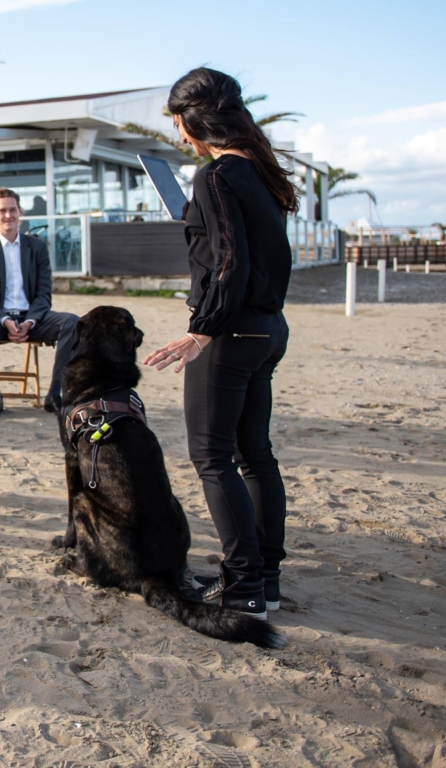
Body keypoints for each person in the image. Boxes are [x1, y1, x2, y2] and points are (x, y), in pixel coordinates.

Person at [144, 67, 297, 620]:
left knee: (213, 458)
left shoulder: (216, 176)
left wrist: (200, 330)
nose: (181, 137)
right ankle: (267, 580)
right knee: (255, 456)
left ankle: (244, 588)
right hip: (269, 327)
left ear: (195, 121)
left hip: (230, 333)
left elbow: (231, 262)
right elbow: (242, 251)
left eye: (181, 125)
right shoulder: (262, 171)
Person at [0, 187, 78, 418]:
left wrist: (30, 321)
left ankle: (54, 394)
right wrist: (5, 320)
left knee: (73, 323)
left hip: (32, 318)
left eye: (13, 210)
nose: (8, 215)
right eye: (3, 210)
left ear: (20, 212)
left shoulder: (37, 247)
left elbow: (44, 294)